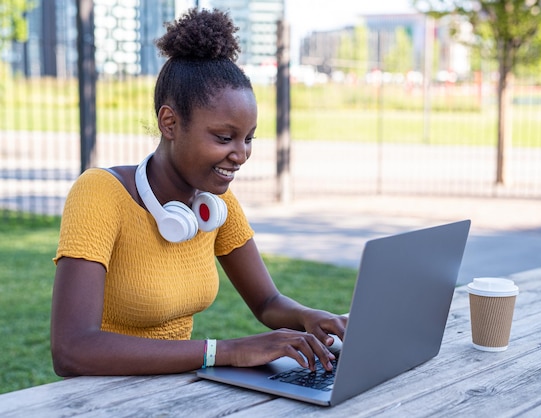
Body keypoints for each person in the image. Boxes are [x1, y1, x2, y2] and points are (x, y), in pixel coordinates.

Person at [50, 8, 347, 377]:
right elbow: (72, 349)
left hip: (174, 388)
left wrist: (312, 317)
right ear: (169, 123)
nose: (240, 154)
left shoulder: (215, 202)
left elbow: (267, 301)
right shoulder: (99, 194)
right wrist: (226, 351)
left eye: (248, 138)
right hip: (98, 398)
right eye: (224, 138)